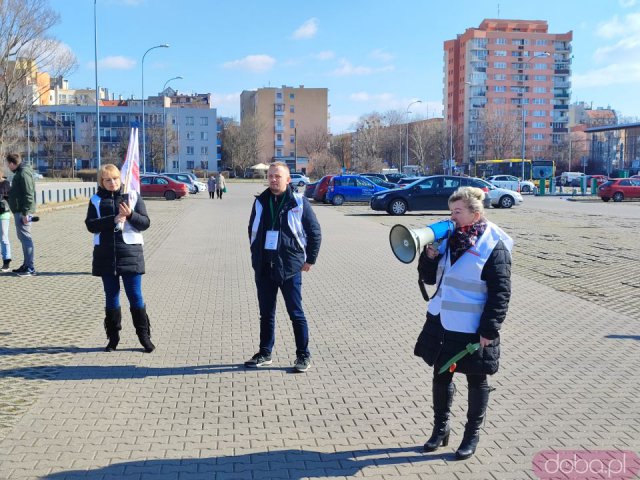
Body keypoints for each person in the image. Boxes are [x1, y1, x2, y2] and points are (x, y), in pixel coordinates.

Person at [414, 186, 512, 460]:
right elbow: (430, 278)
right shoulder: (448, 239)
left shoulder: (494, 245)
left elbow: (501, 292)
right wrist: (429, 257)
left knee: (476, 380)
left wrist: (490, 329)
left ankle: (471, 435)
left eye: (458, 211)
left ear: (475, 213)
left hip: (474, 328)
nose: (452, 216)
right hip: (443, 321)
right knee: (440, 376)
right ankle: (440, 429)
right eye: (451, 210)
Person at [245, 161, 321, 372]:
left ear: (288, 179)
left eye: (277, 176)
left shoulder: (299, 202)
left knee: (295, 313)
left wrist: (310, 260)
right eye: (270, 176)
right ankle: (265, 352)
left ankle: (303, 355)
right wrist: (255, 257)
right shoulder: (260, 201)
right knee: (266, 314)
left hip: (289, 268)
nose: (273, 180)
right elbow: (252, 230)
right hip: (264, 268)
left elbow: (314, 232)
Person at [85, 164, 155, 353]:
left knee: (135, 296)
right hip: (105, 255)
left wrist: (130, 214)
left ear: (120, 179)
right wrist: (113, 220)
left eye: (115, 178)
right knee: (111, 297)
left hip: (130, 254)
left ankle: (144, 336)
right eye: (107, 179)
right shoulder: (96, 200)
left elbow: (145, 223)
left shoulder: (132, 196)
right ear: (101, 181)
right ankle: (113, 338)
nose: (112, 182)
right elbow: (90, 225)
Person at [5, 153, 36, 276]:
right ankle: (26, 264)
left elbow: (29, 194)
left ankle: (30, 268)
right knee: (23, 239)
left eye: (8, 164)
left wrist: (25, 212)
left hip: (23, 212)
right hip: (19, 211)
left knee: (26, 239)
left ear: (12, 163)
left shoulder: (23, 173)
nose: (7, 167)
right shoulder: (20, 172)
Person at [0, 174, 12, 272]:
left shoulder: (5, 184)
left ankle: (6, 261)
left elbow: (3, 195)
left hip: (3, 214)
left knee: (4, 237)